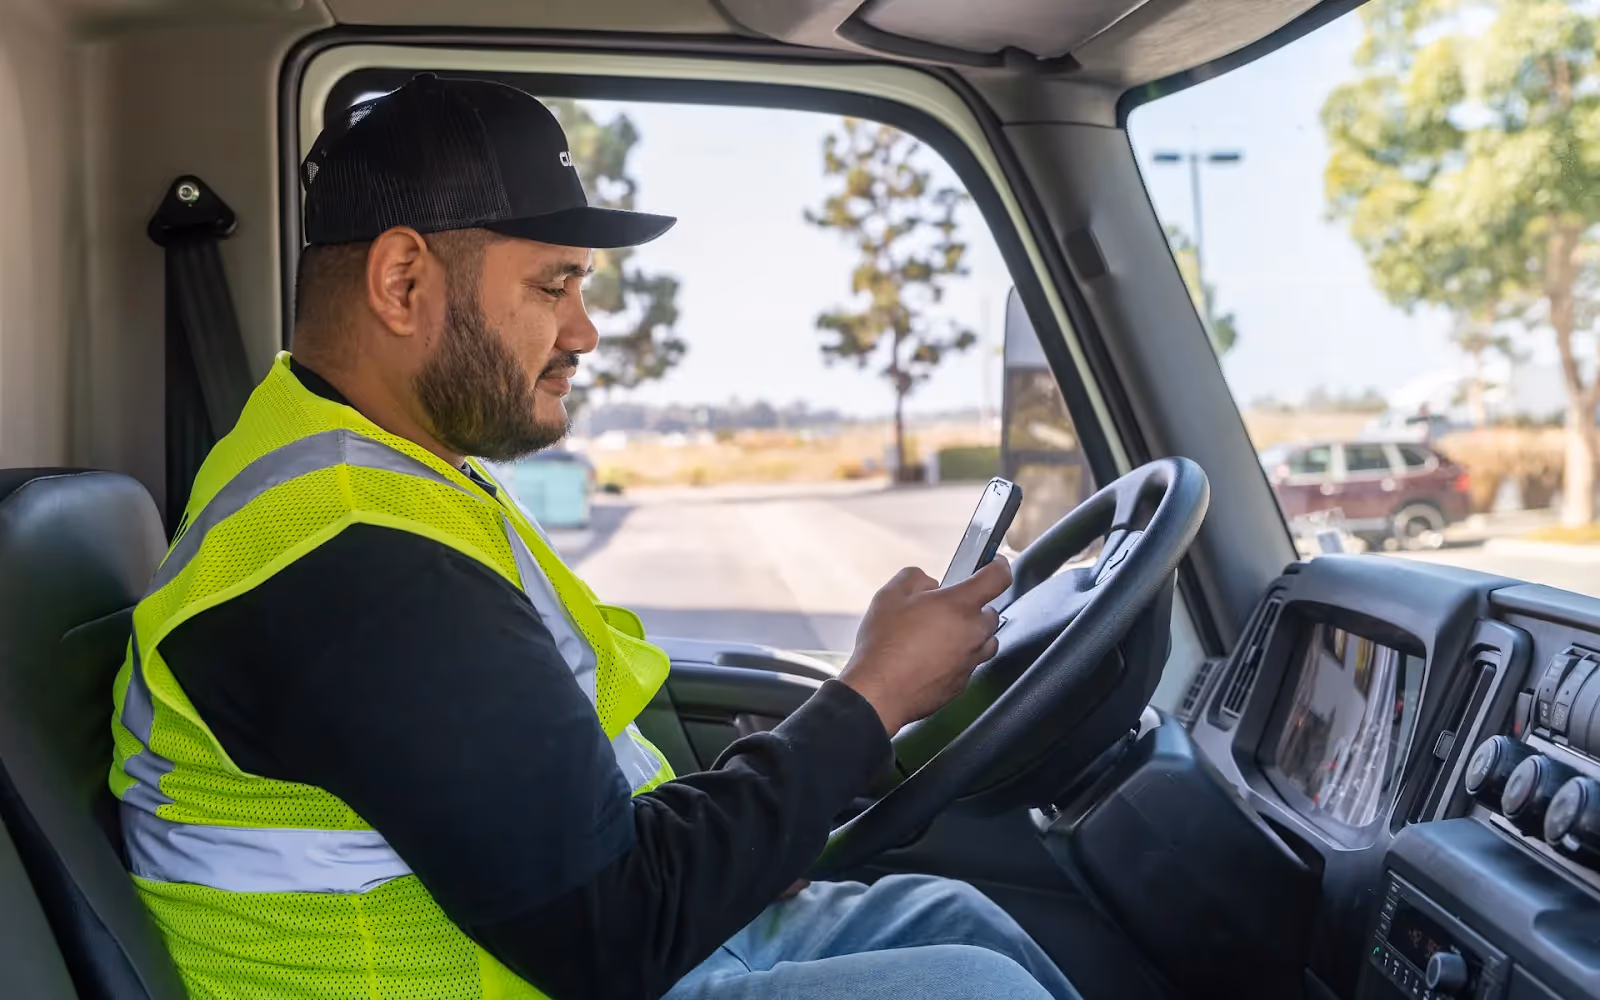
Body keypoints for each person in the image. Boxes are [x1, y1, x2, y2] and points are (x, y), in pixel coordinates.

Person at [108, 73, 1079, 1000]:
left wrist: (749, 835)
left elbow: (557, 818)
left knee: (954, 917)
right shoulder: (346, 565)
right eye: (552, 285)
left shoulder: (381, 481)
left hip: (573, 935)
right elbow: (612, 940)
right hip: (564, 968)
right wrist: (874, 694)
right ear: (402, 281)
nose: (585, 330)